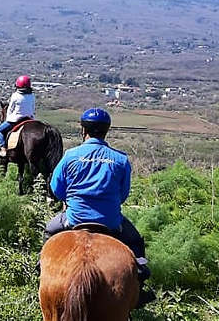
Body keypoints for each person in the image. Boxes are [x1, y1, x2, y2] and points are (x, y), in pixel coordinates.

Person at [44, 107, 155, 307]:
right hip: (111, 222)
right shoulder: (120, 159)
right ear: (106, 131)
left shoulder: (70, 155)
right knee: (136, 243)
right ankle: (139, 286)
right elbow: (123, 195)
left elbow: (56, 190)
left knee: (49, 232)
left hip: (73, 219)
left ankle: (40, 269)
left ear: (83, 130)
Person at [0, 75, 35, 158]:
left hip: (15, 120)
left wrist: (7, 119)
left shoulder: (15, 95)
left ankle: (3, 149)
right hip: (29, 119)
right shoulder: (32, 96)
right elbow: (33, 108)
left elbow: (10, 109)